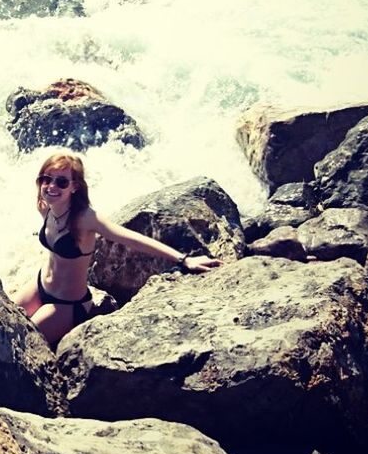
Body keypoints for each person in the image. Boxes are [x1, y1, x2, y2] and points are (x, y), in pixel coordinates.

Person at [11, 149, 224, 348]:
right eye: (46, 179)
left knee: (24, 343)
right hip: (40, 286)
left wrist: (183, 260)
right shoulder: (46, 208)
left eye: (61, 181)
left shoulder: (85, 219)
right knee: (5, 322)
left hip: (67, 304)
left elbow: (132, 239)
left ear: (75, 187)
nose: (51, 186)